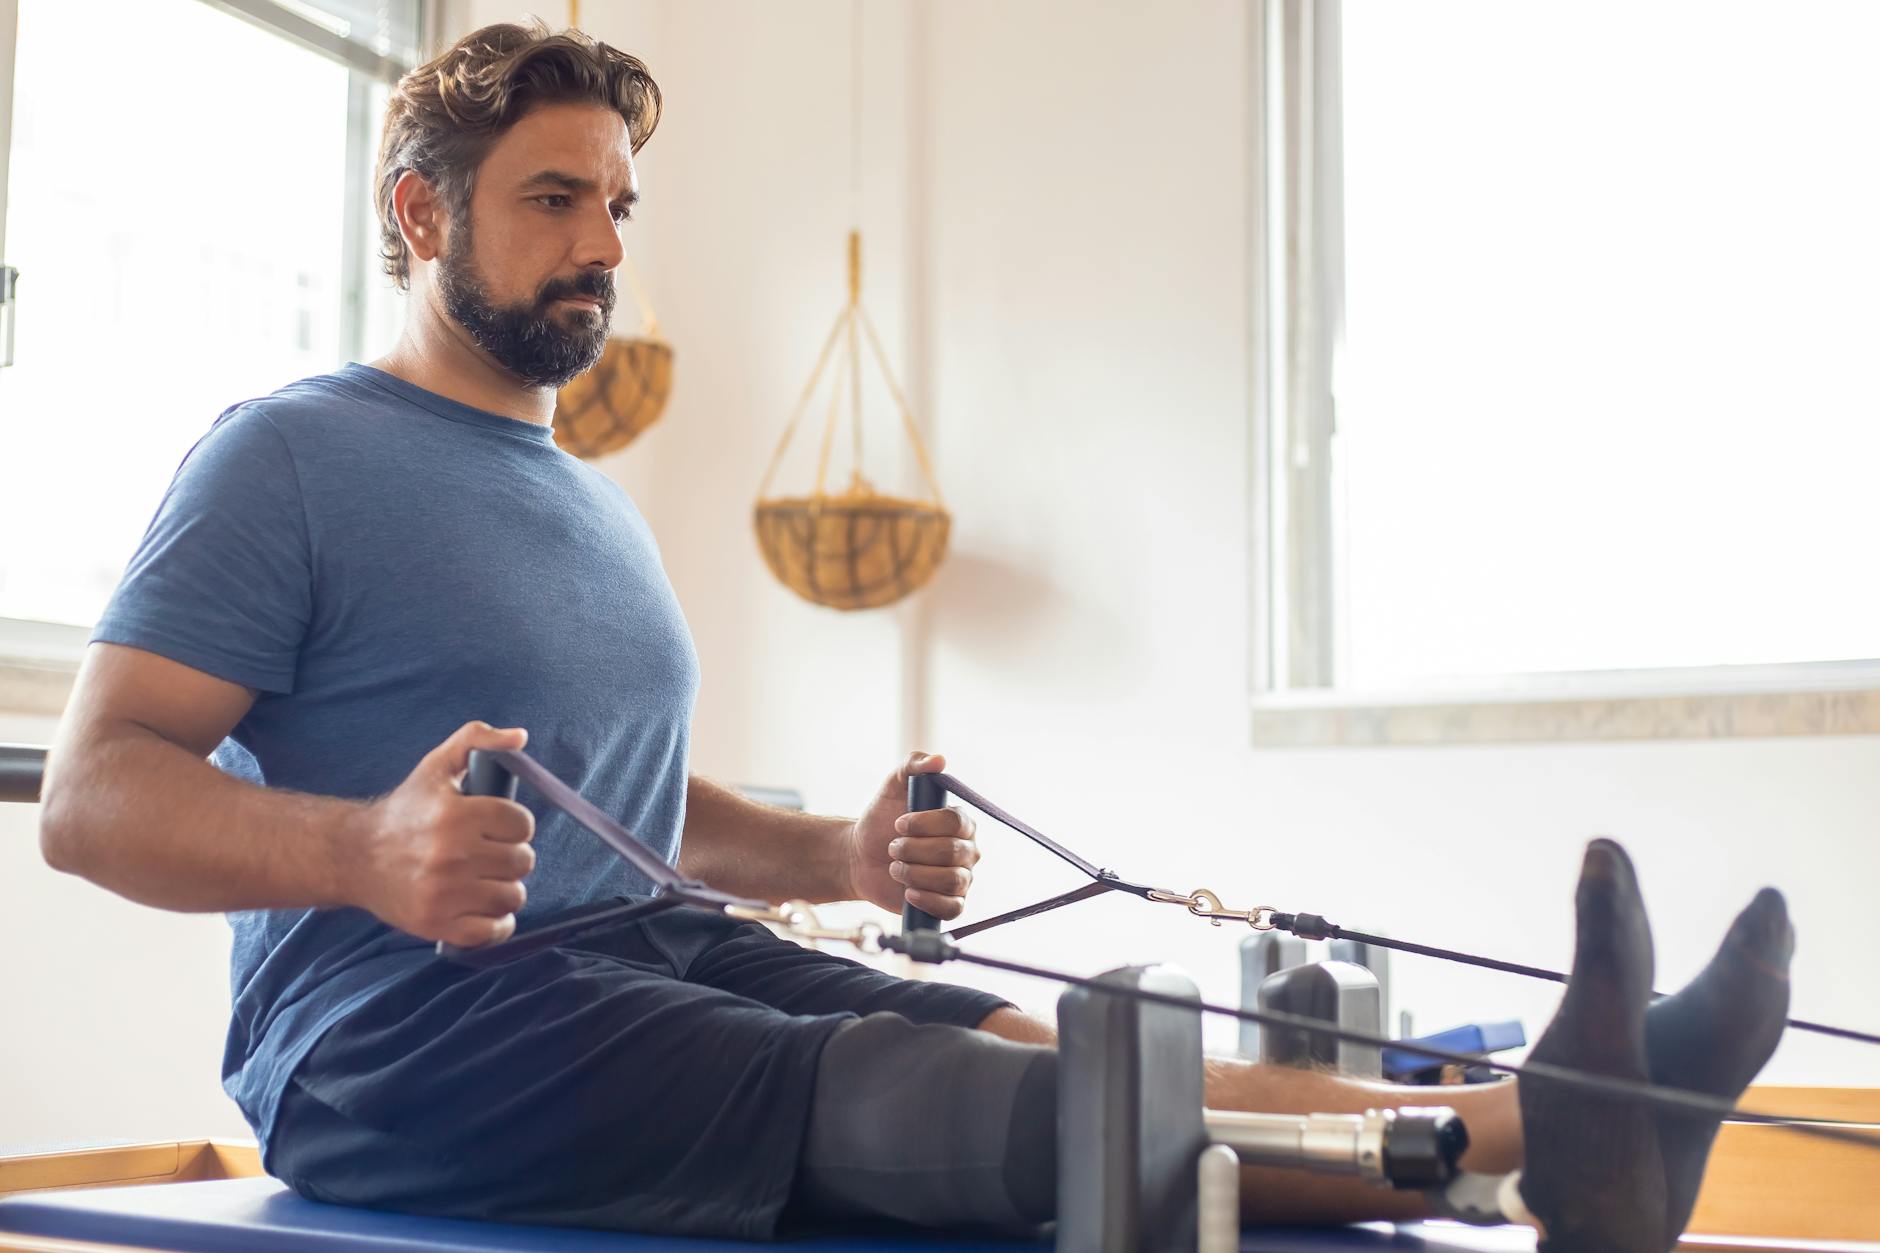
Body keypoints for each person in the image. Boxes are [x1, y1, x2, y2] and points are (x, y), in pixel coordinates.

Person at [38, 22, 1793, 1252]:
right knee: (898, 1084)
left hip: (646, 960)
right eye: (552, 199)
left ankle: (1551, 1124)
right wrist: (358, 848)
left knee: (1051, 1041)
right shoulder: (291, 453)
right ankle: (1561, 1133)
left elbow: (618, 807)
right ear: (421, 214)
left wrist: (837, 850)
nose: (599, 248)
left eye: (618, 209)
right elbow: (93, 790)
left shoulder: (585, 495)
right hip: (393, 1039)